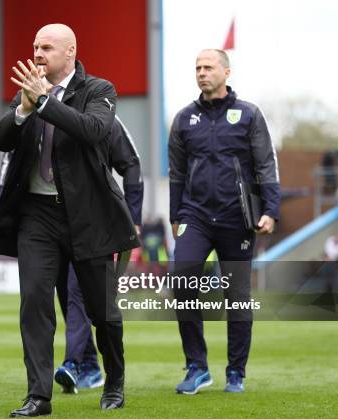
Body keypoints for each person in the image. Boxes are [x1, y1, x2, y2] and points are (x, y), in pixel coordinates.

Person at [0, 23, 139, 417]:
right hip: (37, 215)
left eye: (47, 47)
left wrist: (44, 103)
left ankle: (114, 382)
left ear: (70, 52)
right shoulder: (30, 92)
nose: (37, 52)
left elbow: (93, 130)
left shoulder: (98, 90)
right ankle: (39, 395)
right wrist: (22, 108)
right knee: (34, 303)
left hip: (88, 215)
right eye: (35, 45)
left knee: (102, 310)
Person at [168, 49, 280, 394]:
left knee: (237, 296)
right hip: (196, 216)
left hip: (237, 217)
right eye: (197, 68)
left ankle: (236, 372)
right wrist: (176, 215)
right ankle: (197, 366)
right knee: (182, 279)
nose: (202, 73)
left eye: (208, 67)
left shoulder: (248, 115)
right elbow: (176, 172)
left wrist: (270, 210)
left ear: (226, 72)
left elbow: (265, 164)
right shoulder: (185, 119)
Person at [54, 116, 144, 394]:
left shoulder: (105, 115)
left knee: (80, 294)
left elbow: (131, 163)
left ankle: (73, 363)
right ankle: (90, 365)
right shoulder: (41, 111)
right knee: (67, 296)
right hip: (53, 222)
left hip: (95, 224)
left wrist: (132, 216)